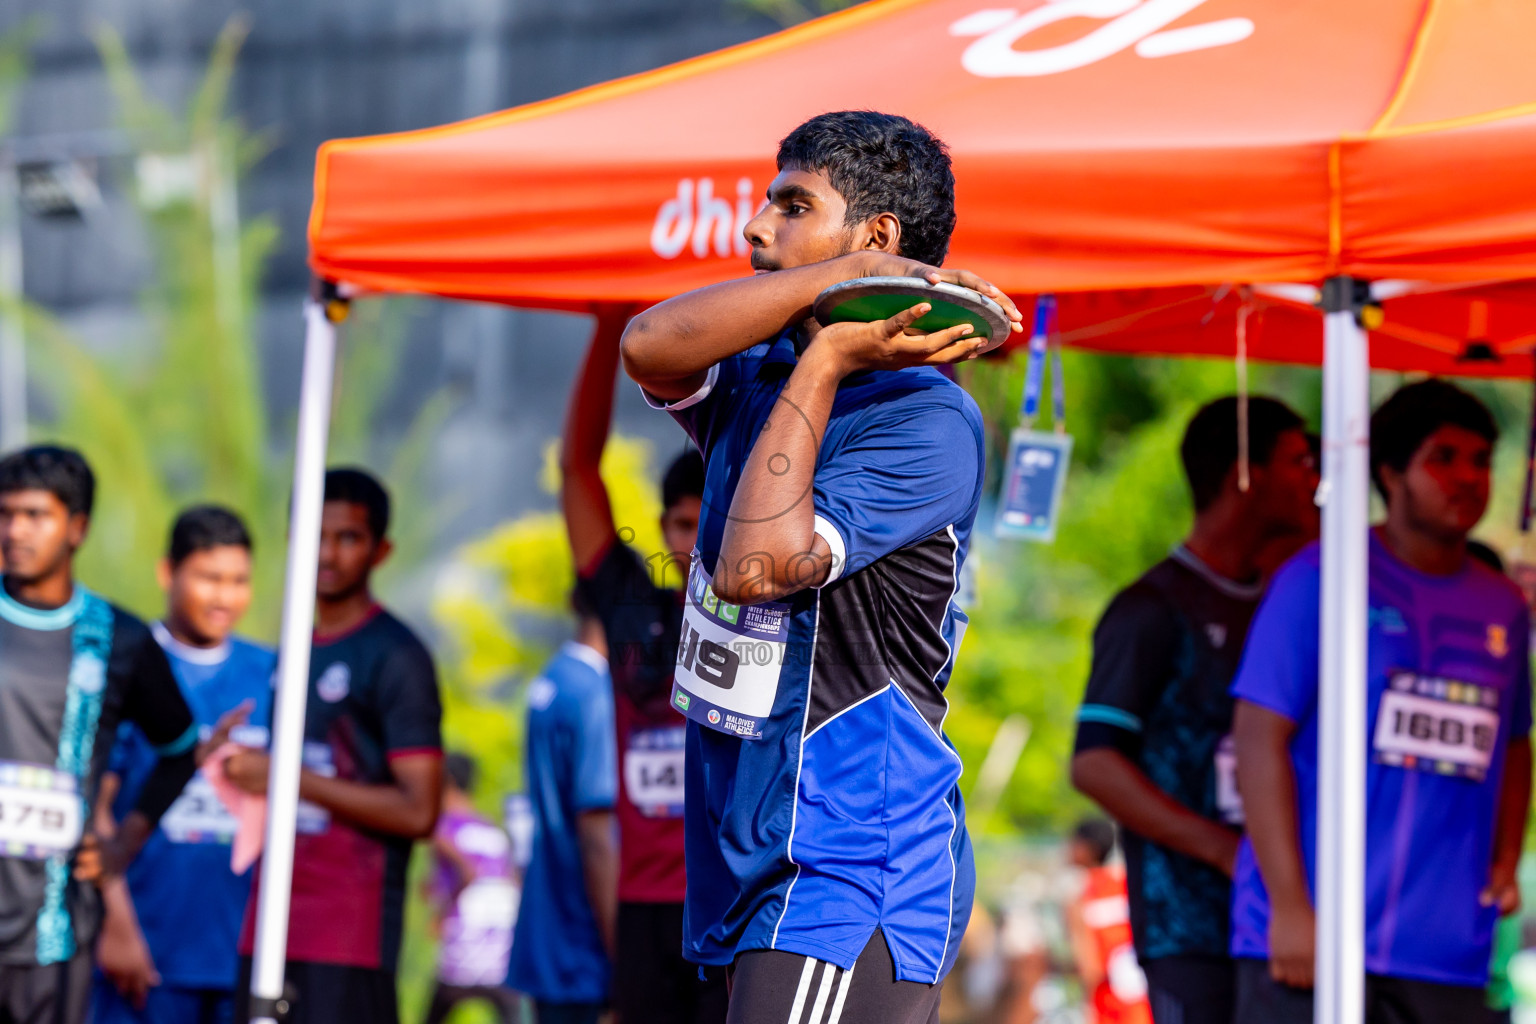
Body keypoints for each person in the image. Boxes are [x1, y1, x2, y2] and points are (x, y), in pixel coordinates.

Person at [622, 109, 1023, 1022]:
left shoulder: (927, 420)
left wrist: (834, 349)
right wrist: (834, 301)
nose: (756, 227)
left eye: (792, 204)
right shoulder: (760, 368)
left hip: (847, 860)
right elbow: (645, 346)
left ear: (876, 235)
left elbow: (754, 567)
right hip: (745, 854)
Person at [1231, 380, 1532, 1022]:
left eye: (1481, 461)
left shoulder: (1503, 605)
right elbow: (1258, 738)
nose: (1468, 479)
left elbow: (1513, 740)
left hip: (1445, 949)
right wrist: (1288, 907)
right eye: (1443, 459)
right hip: (1309, 939)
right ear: (1392, 473)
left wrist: (1507, 861)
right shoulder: (1320, 576)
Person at [1070, 396, 1317, 1024]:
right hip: (1190, 927)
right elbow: (1094, 764)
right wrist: (1228, 852)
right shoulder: (1151, 608)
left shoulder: (1296, 596)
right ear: (1244, 474)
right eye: (1299, 461)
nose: (1315, 480)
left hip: (1293, 919)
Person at [227, 467, 443, 1024]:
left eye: (347, 537)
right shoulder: (292, 648)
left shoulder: (395, 656)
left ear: (381, 549)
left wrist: (286, 778)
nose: (326, 553)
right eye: (313, 535)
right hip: (268, 922)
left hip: (348, 935)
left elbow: (419, 810)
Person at [560, 307, 726, 1022]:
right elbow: (577, 471)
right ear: (663, 529)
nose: (695, 540)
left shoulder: (770, 607)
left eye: (711, 520)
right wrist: (607, 325)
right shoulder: (635, 611)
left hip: (733, 895)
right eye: (684, 525)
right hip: (645, 904)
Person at [0, 446, 198, 1024]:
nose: (15, 531)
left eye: (35, 515)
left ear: (77, 527)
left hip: (56, 937)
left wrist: (121, 846)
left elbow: (180, 750)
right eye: (5, 514)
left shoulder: (120, 639)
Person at [91, 506, 276, 1024]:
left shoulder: (271, 673)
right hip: (145, 952)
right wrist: (117, 926)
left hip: (239, 952)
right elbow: (95, 805)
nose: (224, 596)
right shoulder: (128, 663)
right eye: (209, 578)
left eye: (238, 580)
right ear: (168, 573)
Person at [507, 607, 619, 1024]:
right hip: (584, 945)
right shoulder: (594, 690)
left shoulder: (551, 678)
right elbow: (596, 832)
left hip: (546, 934)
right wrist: (622, 960)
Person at [424, 752, 521, 1024]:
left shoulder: (442, 827)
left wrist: (442, 912)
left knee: (437, 1009)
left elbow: (467, 871)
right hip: (501, 941)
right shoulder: (491, 828)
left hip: (465, 939)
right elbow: (511, 878)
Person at [1065, 819, 1151, 1024]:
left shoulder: (1080, 894)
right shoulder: (1128, 883)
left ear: (1087, 848)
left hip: (1110, 1005)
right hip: (1145, 1004)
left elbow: (1089, 968)